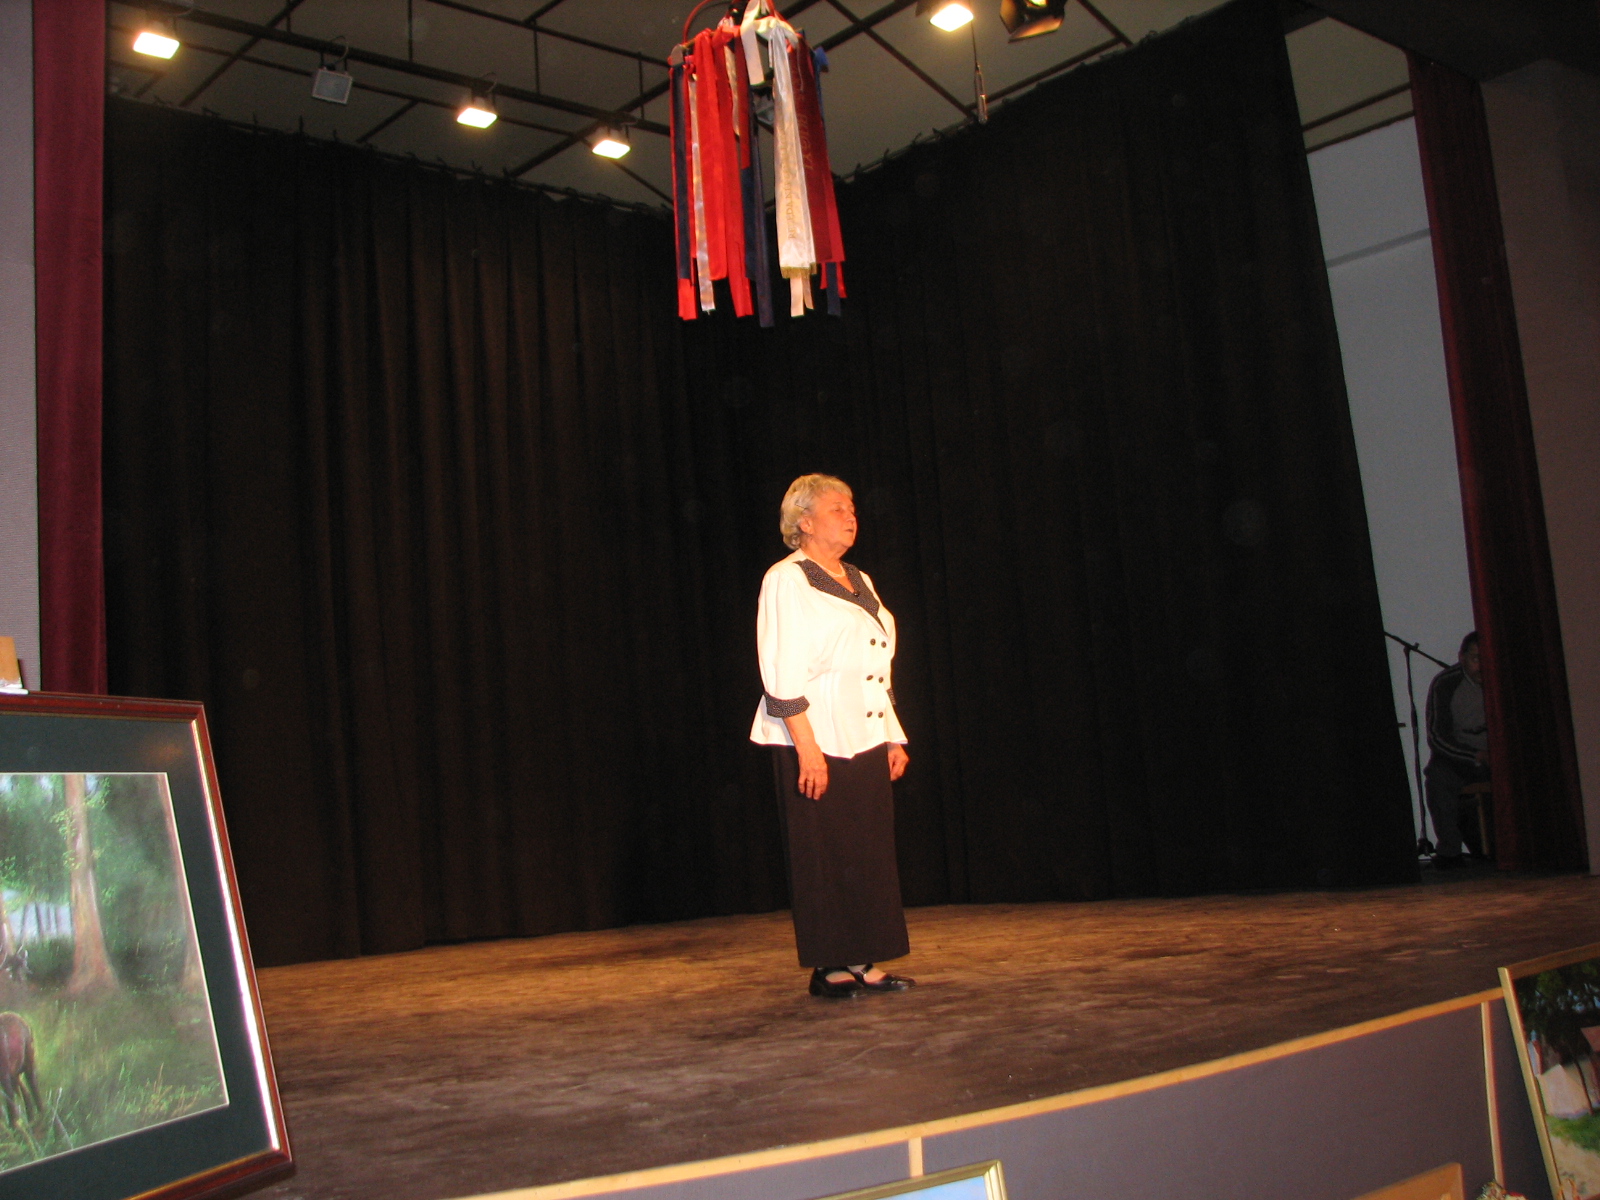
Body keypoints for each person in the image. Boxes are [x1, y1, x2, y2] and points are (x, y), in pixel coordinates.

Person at [751, 474, 915, 999]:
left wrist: (891, 736)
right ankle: (829, 966)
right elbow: (781, 669)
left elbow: (876, 662)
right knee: (823, 853)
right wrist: (808, 749)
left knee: (866, 852)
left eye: (853, 509)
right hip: (812, 735)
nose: (851, 516)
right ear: (804, 521)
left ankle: (863, 958)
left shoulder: (858, 577)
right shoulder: (787, 579)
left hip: (862, 732)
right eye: (838, 508)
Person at [1424, 631, 1489, 869]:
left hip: (1501, 757)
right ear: (1462, 658)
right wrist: (1475, 756)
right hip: (1463, 760)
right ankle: (1450, 851)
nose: (1482, 666)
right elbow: (1437, 737)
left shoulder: (1507, 678)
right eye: (1476, 658)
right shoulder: (1446, 683)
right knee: (1437, 776)